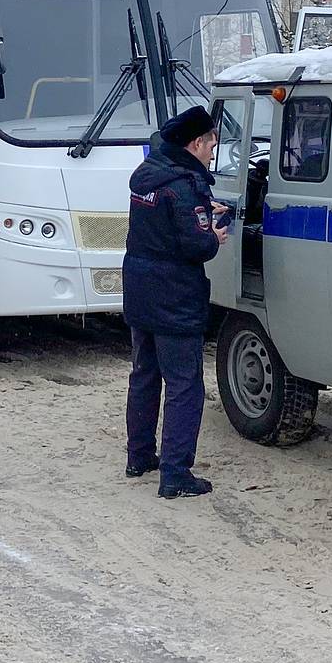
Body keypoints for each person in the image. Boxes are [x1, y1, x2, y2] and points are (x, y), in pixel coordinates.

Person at [123, 105, 229, 499]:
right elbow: (195, 244)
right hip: (175, 297)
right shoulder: (184, 186)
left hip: (140, 289)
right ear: (196, 142)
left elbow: (167, 220)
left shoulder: (150, 176)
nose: (212, 153)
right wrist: (212, 236)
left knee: (144, 374)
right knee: (185, 384)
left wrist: (201, 211)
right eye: (211, 145)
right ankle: (175, 474)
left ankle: (139, 455)